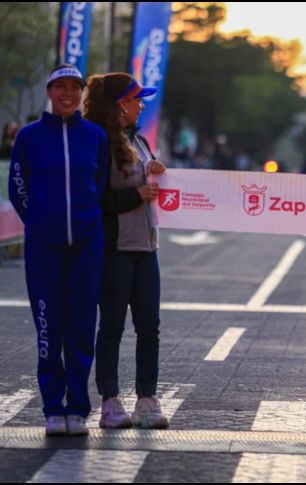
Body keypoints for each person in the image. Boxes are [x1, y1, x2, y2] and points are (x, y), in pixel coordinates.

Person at [8, 64, 109, 436]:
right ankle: (53, 408)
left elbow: (100, 185)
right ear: (49, 92)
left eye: (74, 87)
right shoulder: (29, 137)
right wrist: (39, 223)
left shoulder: (95, 136)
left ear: (81, 93)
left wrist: (85, 222)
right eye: (60, 87)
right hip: (43, 248)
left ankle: (78, 408)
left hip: (86, 246)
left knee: (81, 329)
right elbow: (17, 186)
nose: (67, 94)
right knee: (48, 330)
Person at [83, 72, 169, 429]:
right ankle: (109, 401)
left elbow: (148, 180)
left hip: (147, 249)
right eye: (137, 100)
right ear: (121, 105)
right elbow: (95, 200)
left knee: (149, 327)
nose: (141, 106)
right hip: (116, 249)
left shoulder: (140, 141)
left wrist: (154, 169)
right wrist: (137, 195)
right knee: (112, 327)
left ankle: (147, 399)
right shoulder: (99, 142)